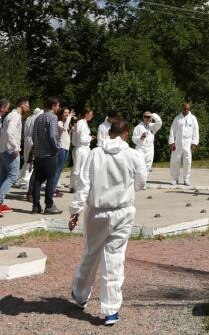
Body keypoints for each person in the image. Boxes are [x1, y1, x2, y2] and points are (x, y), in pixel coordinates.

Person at [68, 117, 147, 326]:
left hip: (97, 212)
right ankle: (111, 310)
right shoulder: (133, 155)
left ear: (109, 132)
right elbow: (141, 183)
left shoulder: (95, 154)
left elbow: (83, 185)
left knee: (90, 252)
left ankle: (80, 294)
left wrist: (75, 211)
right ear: (127, 135)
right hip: (122, 212)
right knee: (114, 258)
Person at [0, 98, 29, 216]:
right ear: (22, 105)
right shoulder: (15, 116)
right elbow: (10, 132)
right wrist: (15, 147)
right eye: (27, 105)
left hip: (3, 149)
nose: (28, 108)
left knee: (3, 176)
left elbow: (6, 132)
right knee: (13, 175)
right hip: (10, 150)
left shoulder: (9, 115)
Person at [30, 98, 63, 214]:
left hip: (38, 154)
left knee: (37, 180)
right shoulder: (53, 117)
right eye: (58, 105)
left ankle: (35, 206)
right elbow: (53, 136)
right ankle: (49, 205)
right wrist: (57, 148)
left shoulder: (38, 118)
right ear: (53, 106)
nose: (58, 108)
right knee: (51, 179)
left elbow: (33, 136)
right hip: (49, 154)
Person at [169, 102, 200, 187]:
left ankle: (186, 179)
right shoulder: (177, 118)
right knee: (175, 161)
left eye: (188, 109)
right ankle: (175, 179)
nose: (186, 110)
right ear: (182, 108)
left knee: (187, 161)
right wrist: (171, 142)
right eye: (185, 108)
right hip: (177, 142)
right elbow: (172, 130)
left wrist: (194, 143)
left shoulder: (193, 118)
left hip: (188, 143)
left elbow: (196, 131)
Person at [15, 106, 43, 189]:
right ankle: (26, 180)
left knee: (27, 160)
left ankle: (22, 178)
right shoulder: (37, 118)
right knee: (31, 160)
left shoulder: (29, 118)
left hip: (26, 139)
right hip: (33, 139)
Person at [70, 108, 95, 193]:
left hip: (84, 148)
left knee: (82, 169)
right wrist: (90, 138)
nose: (92, 116)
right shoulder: (81, 123)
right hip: (80, 148)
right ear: (86, 114)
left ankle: (76, 185)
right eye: (91, 114)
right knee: (77, 169)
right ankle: (74, 186)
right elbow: (81, 139)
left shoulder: (84, 123)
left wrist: (88, 138)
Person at [52, 106, 74, 198]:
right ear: (61, 114)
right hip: (61, 148)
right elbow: (64, 129)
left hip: (66, 148)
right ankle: (51, 190)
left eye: (68, 113)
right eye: (65, 113)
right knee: (57, 169)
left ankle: (53, 188)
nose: (67, 114)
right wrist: (69, 118)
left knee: (60, 169)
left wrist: (74, 120)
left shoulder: (67, 123)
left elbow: (73, 130)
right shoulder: (59, 123)